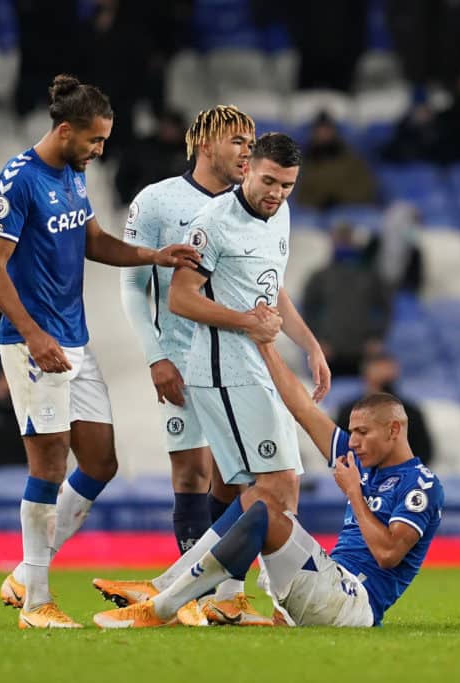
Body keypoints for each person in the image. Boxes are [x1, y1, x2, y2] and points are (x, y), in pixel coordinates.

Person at [0, 74, 200, 629]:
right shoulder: (19, 179)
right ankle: (36, 604)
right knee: (49, 466)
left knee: (100, 462)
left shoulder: (77, 176)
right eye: (95, 140)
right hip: (34, 343)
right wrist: (32, 334)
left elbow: (92, 240)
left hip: (75, 341)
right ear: (64, 129)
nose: (100, 150)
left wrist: (155, 256)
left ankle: (28, 573)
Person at [87, 135, 331, 617]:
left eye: (287, 185)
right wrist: (246, 323)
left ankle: (180, 590)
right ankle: (202, 597)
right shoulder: (213, 222)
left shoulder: (278, 214)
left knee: (274, 492)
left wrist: (310, 344)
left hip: (259, 366)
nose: (277, 193)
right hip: (224, 369)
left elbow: (270, 287)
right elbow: (180, 298)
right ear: (248, 171)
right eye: (269, 181)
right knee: (275, 489)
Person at [91, 338, 443, 629]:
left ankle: (162, 607)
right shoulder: (360, 460)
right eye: (352, 433)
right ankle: (181, 592)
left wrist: (353, 492)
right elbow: (303, 408)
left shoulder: (420, 486)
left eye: (363, 433)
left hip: (354, 605)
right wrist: (264, 345)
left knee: (263, 508)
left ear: (394, 430)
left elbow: (387, 554)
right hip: (330, 582)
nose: (353, 442)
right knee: (257, 498)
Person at [119, 104, 272, 626]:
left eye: (252, 141)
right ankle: (200, 595)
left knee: (240, 479)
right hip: (181, 360)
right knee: (191, 470)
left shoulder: (251, 203)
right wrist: (156, 356)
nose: (248, 151)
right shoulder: (157, 201)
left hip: (236, 357)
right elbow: (132, 287)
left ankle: (215, 590)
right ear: (206, 145)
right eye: (238, 141)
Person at [303, 223, 391, 376]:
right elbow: (307, 310)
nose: (343, 242)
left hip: (363, 351)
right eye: (340, 238)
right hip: (330, 351)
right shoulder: (320, 276)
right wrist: (317, 341)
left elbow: (385, 308)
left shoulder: (370, 276)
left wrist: (376, 338)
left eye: (346, 238)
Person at [335, 351, 433, 467]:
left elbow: (424, 451)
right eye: (379, 369)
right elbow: (339, 450)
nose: (385, 374)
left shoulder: (410, 412)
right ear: (366, 374)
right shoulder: (348, 412)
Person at [296, 112, 378, 209]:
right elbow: (300, 195)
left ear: (333, 132)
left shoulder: (350, 158)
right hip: (317, 212)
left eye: (326, 131)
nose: (323, 135)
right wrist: (319, 201)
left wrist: (341, 199)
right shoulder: (306, 162)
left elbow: (366, 188)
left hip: (348, 209)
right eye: (319, 132)